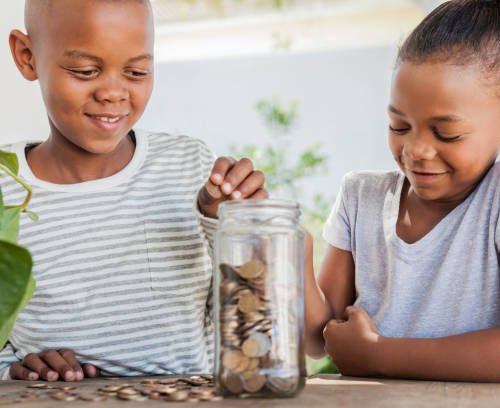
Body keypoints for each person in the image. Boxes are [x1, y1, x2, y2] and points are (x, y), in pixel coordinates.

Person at [0, 0, 267, 381]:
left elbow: (246, 306)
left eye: (137, 71)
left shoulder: (186, 164)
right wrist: (13, 372)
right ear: (27, 57)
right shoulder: (5, 188)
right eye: (85, 71)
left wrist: (223, 219)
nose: (113, 93)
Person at [304, 0, 500, 381]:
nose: (416, 151)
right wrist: (295, 254)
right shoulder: (360, 197)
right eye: (399, 126)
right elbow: (319, 340)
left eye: (446, 133)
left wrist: (380, 356)